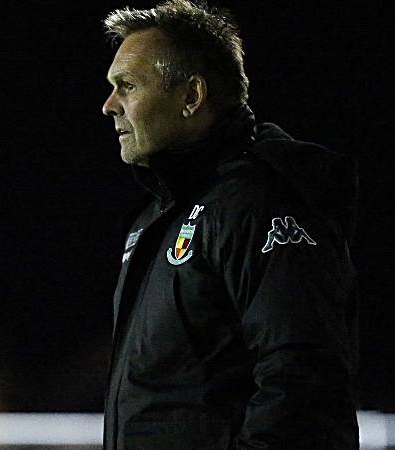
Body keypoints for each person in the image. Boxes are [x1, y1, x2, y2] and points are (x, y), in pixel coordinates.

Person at [100, 1, 359, 449]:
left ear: (191, 97)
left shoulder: (261, 201)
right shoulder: (160, 212)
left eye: (128, 86)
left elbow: (301, 379)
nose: (109, 106)